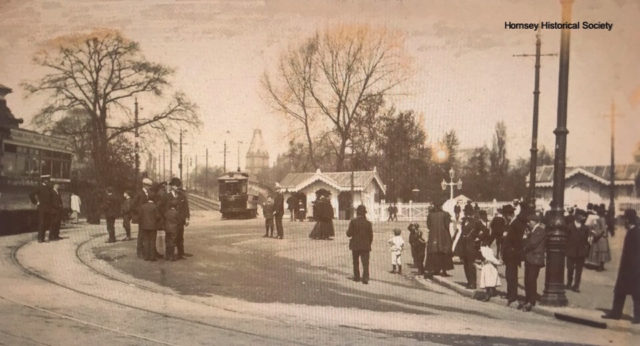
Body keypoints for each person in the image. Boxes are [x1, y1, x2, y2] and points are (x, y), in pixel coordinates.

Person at [602, 209, 640, 324]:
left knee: (634, 293)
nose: (624, 222)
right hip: (630, 267)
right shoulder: (634, 231)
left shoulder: (635, 233)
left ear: (628, 220)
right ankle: (618, 313)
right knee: (624, 291)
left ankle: (623, 314)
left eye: (625, 219)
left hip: (633, 268)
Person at [502, 204, 527, 306]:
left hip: (513, 255)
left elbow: (520, 240)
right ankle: (510, 294)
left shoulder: (517, 224)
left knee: (512, 276)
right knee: (508, 275)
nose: (504, 217)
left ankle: (513, 296)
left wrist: (514, 251)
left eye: (505, 215)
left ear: (509, 215)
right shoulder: (510, 224)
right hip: (508, 255)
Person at [521, 211, 546, 311]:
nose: (528, 223)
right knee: (527, 280)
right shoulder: (533, 231)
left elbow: (532, 243)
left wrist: (525, 238)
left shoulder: (540, 231)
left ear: (535, 222)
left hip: (535, 259)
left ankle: (531, 301)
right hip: (529, 258)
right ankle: (528, 300)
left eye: (529, 221)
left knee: (531, 280)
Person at [160, 178, 190, 259]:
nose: (177, 188)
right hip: (170, 221)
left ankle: (181, 253)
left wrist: (187, 218)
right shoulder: (166, 196)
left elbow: (186, 207)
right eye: (176, 186)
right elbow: (161, 208)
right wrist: (166, 216)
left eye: (178, 186)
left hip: (180, 220)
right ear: (172, 186)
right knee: (169, 237)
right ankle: (169, 254)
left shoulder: (182, 195)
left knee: (180, 237)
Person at [424, 200, 454, 278]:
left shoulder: (430, 215)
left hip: (433, 236)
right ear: (441, 206)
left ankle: (434, 269)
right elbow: (447, 226)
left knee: (434, 252)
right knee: (444, 252)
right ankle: (444, 270)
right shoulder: (445, 214)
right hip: (444, 237)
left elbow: (428, 226)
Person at [346, 205, 373, 284]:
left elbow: (349, 234)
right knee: (365, 263)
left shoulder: (353, 222)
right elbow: (371, 236)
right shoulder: (368, 223)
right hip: (365, 245)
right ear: (365, 213)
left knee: (355, 261)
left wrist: (347, 232)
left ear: (357, 212)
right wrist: (368, 243)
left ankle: (357, 277)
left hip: (355, 245)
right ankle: (365, 278)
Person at [565, 209, 590, 292]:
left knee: (579, 270)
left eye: (584, 216)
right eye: (582, 216)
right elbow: (566, 238)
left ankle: (576, 286)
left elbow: (588, 240)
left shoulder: (586, 228)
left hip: (581, 252)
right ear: (577, 216)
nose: (584, 217)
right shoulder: (569, 226)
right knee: (570, 268)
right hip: (571, 251)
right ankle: (569, 283)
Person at [457, 205, 481, 289]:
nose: (467, 214)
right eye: (466, 213)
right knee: (466, 264)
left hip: (471, 246)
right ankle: (469, 282)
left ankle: (473, 283)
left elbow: (485, 230)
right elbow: (461, 233)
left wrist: (477, 238)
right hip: (464, 245)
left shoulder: (476, 222)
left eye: (468, 213)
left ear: (471, 213)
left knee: (471, 265)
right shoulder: (464, 222)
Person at [29, 175, 53, 243]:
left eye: (48, 180)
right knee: (41, 223)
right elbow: (31, 194)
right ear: (43, 180)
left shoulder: (49, 188)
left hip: (48, 208)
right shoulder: (39, 187)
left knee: (46, 223)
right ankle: (40, 238)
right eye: (47, 180)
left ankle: (43, 238)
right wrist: (36, 202)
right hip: (42, 208)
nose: (48, 181)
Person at [587, 205, 611, 271]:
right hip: (603, 237)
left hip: (601, 238)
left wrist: (596, 234)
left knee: (601, 252)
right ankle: (601, 266)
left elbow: (603, 229)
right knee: (602, 252)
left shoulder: (601, 219)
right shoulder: (602, 219)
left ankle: (600, 266)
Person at [135, 178, 154, 258]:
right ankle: (139, 252)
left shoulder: (148, 193)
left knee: (144, 235)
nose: (149, 187)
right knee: (141, 235)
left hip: (147, 217)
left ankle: (145, 251)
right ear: (144, 185)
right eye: (148, 186)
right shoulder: (139, 193)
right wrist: (139, 212)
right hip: (142, 217)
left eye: (150, 186)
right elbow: (133, 204)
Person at [139, 195, 161, 261]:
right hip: (153, 226)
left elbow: (140, 216)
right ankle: (152, 257)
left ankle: (146, 257)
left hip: (144, 226)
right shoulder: (155, 206)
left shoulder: (143, 206)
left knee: (146, 241)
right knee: (152, 241)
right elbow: (158, 216)